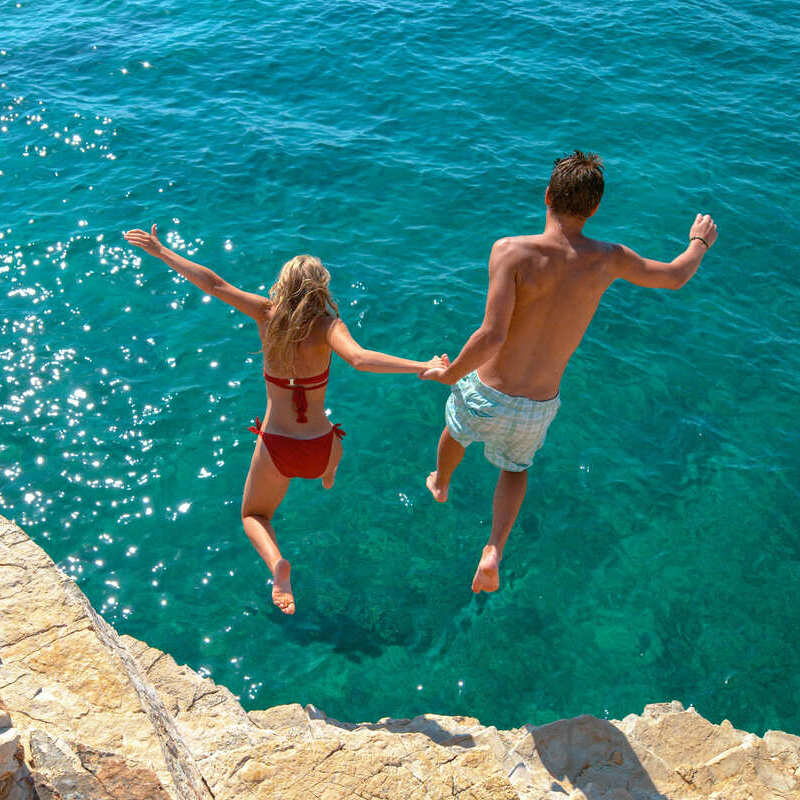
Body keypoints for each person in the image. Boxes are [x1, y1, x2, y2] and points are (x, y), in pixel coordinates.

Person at [420, 151, 718, 594]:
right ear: (594, 208)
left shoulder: (511, 251)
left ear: (546, 195)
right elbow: (675, 276)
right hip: (539, 403)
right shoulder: (609, 258)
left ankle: (441, 483)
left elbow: (491, 335)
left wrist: (451, 374)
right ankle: (494, 549)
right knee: (515, 469)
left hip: (489, 389)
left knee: (455, 429)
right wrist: (699, 242)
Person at [123, 225, 445, 614]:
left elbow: (215, 284)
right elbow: (361, 359)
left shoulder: (266, 314)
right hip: (320, 447)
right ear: (320, 289)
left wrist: (162, 252)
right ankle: (328, 474)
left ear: (284, 285)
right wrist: (422, 366)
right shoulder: (329, 327)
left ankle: (278, 565)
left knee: (253, 515)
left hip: (278, 447)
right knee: (334, 434)